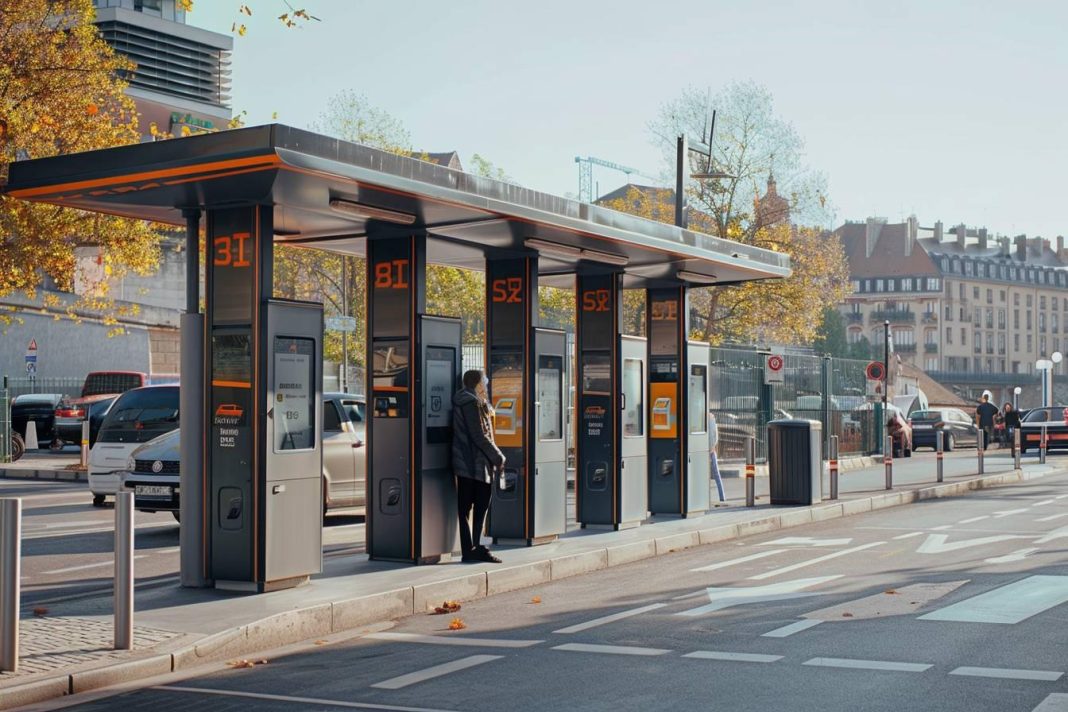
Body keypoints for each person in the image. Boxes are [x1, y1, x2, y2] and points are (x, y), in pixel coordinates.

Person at [451, 369, 505, 563]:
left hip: (467, 463)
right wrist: (498, 457)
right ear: (477, 383)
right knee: (479, 507)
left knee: (467, 508)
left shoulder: (471, 401)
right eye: (485, 380)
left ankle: (473, 548)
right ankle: (474, 548)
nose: (487, 384)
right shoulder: (471, 402)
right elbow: (479, 435)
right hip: (474, 463)